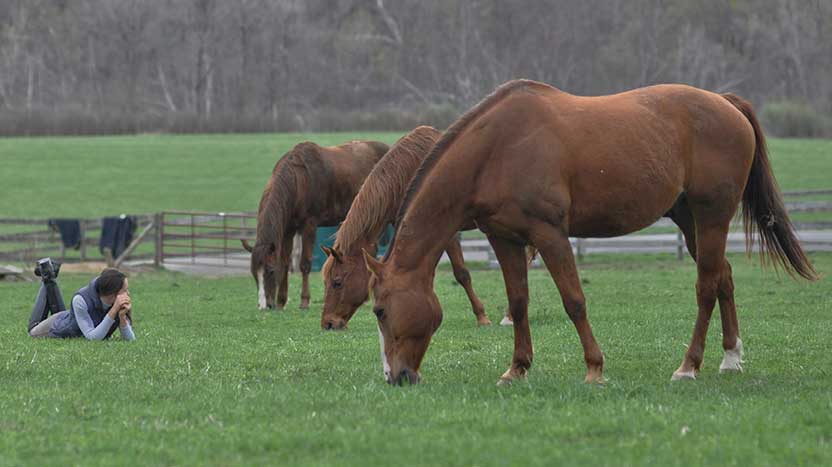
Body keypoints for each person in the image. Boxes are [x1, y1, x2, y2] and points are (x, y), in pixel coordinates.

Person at [27, 258, 135, 341]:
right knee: (32, 331)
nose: (128, 294)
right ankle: (47, 275)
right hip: (56, 326)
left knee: (69, 318)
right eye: (124, 290)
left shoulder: (118, 305)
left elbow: (130, 340)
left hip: (70, 318)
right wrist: (113, 311)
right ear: (112, 293)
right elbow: (92, 338)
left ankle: (49, 274)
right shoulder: (81, 299)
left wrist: (122, 318)